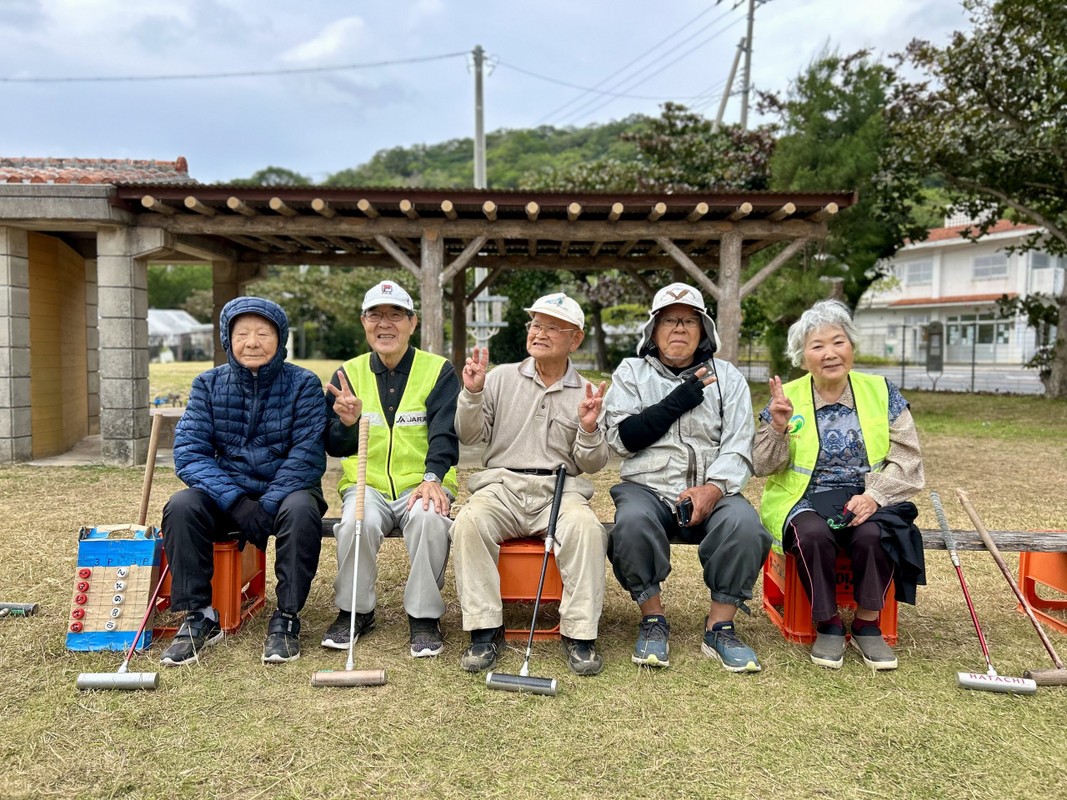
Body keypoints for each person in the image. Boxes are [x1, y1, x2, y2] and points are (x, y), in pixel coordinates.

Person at [604, 282, 771, 673]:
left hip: (714, 485)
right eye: (669, 321)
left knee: (745, 525)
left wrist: (713, 488)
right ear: (653, 330)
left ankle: (720, 625)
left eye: (688, 321)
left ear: (704, 331)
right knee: (629, 524)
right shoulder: (631, 372)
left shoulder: (727, 377)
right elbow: (622, 440)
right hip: (647, 485)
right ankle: (653, 618)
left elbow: (739, 442)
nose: (678, 329)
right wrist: (680, 398)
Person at [754, 299, 925, 671]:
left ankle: (867, 624)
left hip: (869, 494)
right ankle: (827, 623)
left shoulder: (881, 391)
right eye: (817, 346)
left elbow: (909, 457)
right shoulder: (788, 399)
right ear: (802, 357)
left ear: (851, 346)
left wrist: (875, 496)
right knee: (812, 535)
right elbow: (761, 464)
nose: (830, 353)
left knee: (873, 536)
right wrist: (778, 427)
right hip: (805, 498)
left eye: (838, 342)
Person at [160, 297, 327, 666]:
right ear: (227, 338)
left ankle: (286, 618)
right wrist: (236, 501)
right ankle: (199, 615)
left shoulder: (304, 384)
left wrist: (267, 505)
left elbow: (308, 453)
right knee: (182, 505)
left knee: (301, 509)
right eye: (242, 333)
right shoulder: (208, 384)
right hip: (229, 494)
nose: (252, 342)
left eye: (263, 333)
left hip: (286, 493)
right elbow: (190, 452)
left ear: (280, 339)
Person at [452, 292, 610, 676]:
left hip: (559, 490)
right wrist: (472, 393)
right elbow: (470, 436)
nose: (539, 333)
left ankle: (580, 632)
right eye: (535, 324)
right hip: (501, 486)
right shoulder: (501, 377)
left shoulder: (585, 391)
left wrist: (588, 428)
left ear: (575, 339)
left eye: (552, 327)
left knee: (587, 528)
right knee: (469, 522)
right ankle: (485, 628)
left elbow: (593, 463)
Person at [322, 280, 460, 658]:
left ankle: (424, 616)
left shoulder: (438, 370)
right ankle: (356, 610)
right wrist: (346, 424)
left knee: (430, 519)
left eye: (396, 314)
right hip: (368, 485)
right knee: (355, 522)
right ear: (364, 322)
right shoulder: (347, 375)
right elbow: (333, 444)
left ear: (412, 323)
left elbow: (446, 433)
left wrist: (432, 478)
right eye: (375, 315)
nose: (386, 324)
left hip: (424, 482)